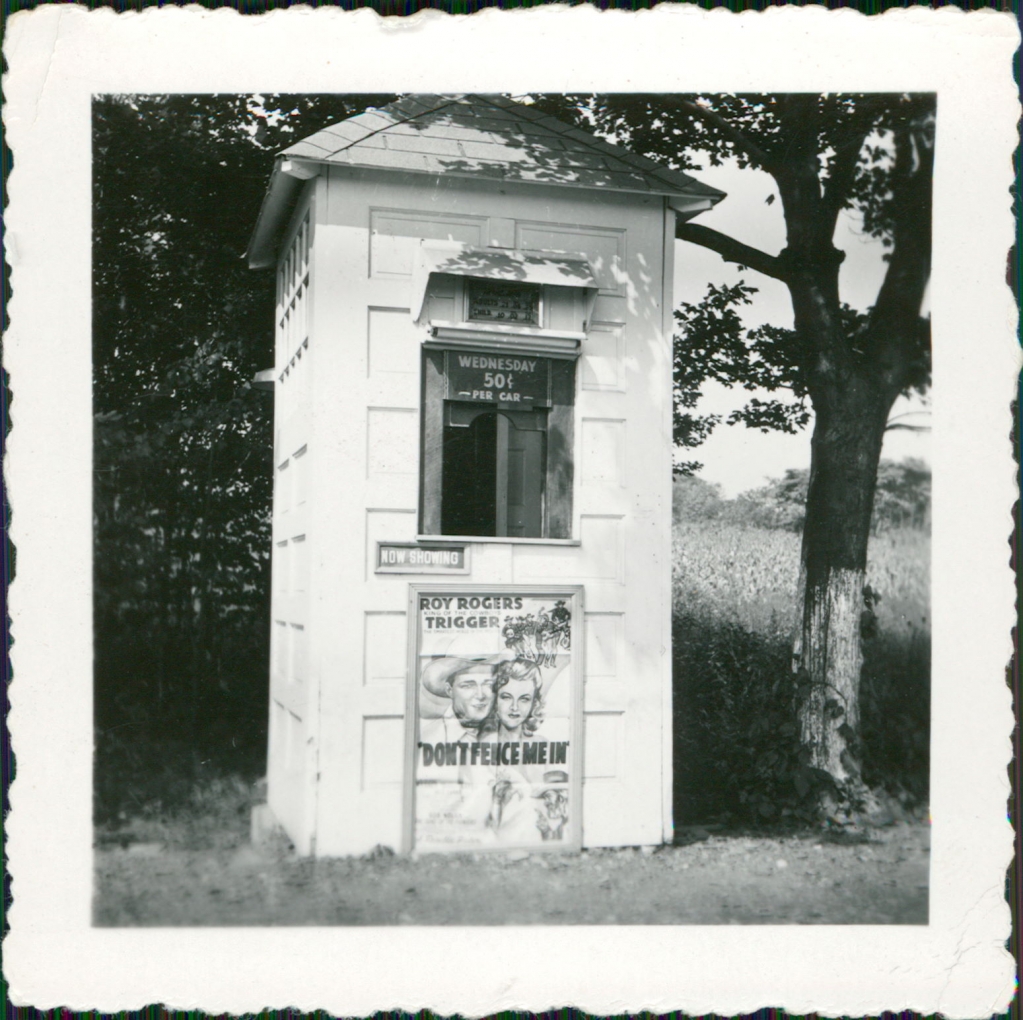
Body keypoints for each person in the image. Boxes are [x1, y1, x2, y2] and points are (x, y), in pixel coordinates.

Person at [418, 657, 495, 746]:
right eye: (468, 686)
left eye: (488, 685)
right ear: (449, 690)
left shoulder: (504, 731)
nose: (480, 695)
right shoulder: (429, 738)